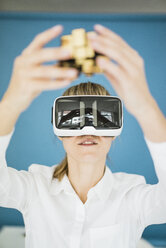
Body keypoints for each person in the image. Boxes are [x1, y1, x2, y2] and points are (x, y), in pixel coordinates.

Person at [0, 24, 166, 248]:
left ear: (116, 130)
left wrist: (147, 108)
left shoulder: (132, 196)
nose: (88, 129)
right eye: (73, 119)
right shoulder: (34, 187)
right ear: (58, 129)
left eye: (103, 119)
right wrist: (10, 104)